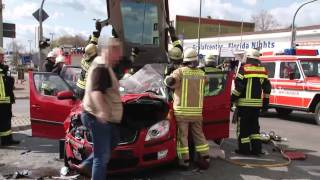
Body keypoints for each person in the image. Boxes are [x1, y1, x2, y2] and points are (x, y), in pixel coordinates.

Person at [73, 38, 123, 180]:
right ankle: (91, 168)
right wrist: (101, 112)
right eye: (117, 52)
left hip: (100, 116)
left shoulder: (103, 65)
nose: (119, 56)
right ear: (108, 50)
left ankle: (86, 165)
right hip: (97, 116)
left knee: (114, 139)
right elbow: (96, 91)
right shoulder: (101, 67)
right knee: (101, 157)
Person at [164, 48, 210, 170]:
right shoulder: (201, 73)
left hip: (182, 112)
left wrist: (168, 78)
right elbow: (206, 83)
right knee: (199, 135)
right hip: (197, 112)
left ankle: (184, 161)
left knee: (182, 136)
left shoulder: (180, 72)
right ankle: (205, 158)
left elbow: (170, 83)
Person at [231, 49, 271, 155]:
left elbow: (238, 88)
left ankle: (244, 150)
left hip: (244, 105)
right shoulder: (263, 70)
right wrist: (265, 103)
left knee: (243, 130)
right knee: (254, 129)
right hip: (256, 106)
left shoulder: (244, 69)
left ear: (248, 57)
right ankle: (256, 150)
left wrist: (231, 99)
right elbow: (267, 88)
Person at [0, 47, 20, 146]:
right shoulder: (2, 69)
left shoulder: (3, 68)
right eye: (1, 55)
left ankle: (7, 140)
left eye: (3, 55)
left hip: (6, 100)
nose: (3, 57)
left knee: (6, 121)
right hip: (1, 101)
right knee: (2, 121)